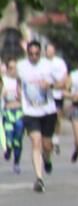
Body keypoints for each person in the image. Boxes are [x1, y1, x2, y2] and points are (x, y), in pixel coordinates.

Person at [16, 40, 58, 192]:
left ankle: (47, 159)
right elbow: (15, 80)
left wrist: (51, 85)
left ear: (40, 53)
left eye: (36, 54)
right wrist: (18, 91)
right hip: (30, 111)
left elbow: (63, 82)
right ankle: (39, 179)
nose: (34, 56)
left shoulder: (48, 65)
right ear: (27, 53)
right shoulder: (21, 66)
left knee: (47, 145)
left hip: (48, 110)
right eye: (31, 54)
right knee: (36, 142)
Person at [44, 43, 69, 155]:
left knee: (57, 117)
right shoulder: (42, 63)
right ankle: (48, 139)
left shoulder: (60, 62)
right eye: (48, 50)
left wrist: (60, 85)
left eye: (52, 50)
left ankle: (56, 139)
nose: (50, 52)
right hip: (46, 95)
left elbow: (65, 76)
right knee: (47, 118)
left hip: (58, 94)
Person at [2, 56, 25, 174]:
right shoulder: (3, 80)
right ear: (7, 68)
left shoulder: (20, 80)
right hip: (7, 112)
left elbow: (26, 97)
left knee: (18, 139)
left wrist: (21, 95)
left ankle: (16, 162)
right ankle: (8, 149)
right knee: (9, 137)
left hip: (19, 112)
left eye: (15, 68)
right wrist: (3, 93)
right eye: (11, 68)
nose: (13, 70)